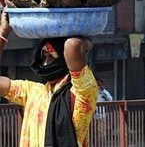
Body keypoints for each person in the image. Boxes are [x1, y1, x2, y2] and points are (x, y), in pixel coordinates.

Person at [0, 10, 99, 147]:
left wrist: (88, 44)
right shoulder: (33, 92)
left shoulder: (82, 92)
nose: (46, 63)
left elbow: (73, 45)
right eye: (44, 57)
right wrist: (3, 33)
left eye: (52, 57)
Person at [93, 77, 113, 145]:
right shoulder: (91, 92)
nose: (97, 86)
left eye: (99, 84)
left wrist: (103, 90)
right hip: (93, 117)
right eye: (96, 84)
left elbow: (110, 99)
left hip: (101, 116)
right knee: (94, 134)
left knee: (101, 134)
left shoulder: (103, 93)